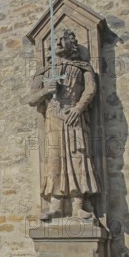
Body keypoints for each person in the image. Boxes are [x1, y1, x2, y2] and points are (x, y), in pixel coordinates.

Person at [28, 28, 101, 221]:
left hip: (74, 117)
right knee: (54, 161)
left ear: (72, 43)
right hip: (53, 119)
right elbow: (31, 99)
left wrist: (78, 108)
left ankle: (78, 207)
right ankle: (57, 207)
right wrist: (45, 91)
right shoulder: (44, 71)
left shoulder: (82, 67)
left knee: (77, 158)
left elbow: (91, 89)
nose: (59, 43)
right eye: (55, 40)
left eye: (63, 39)